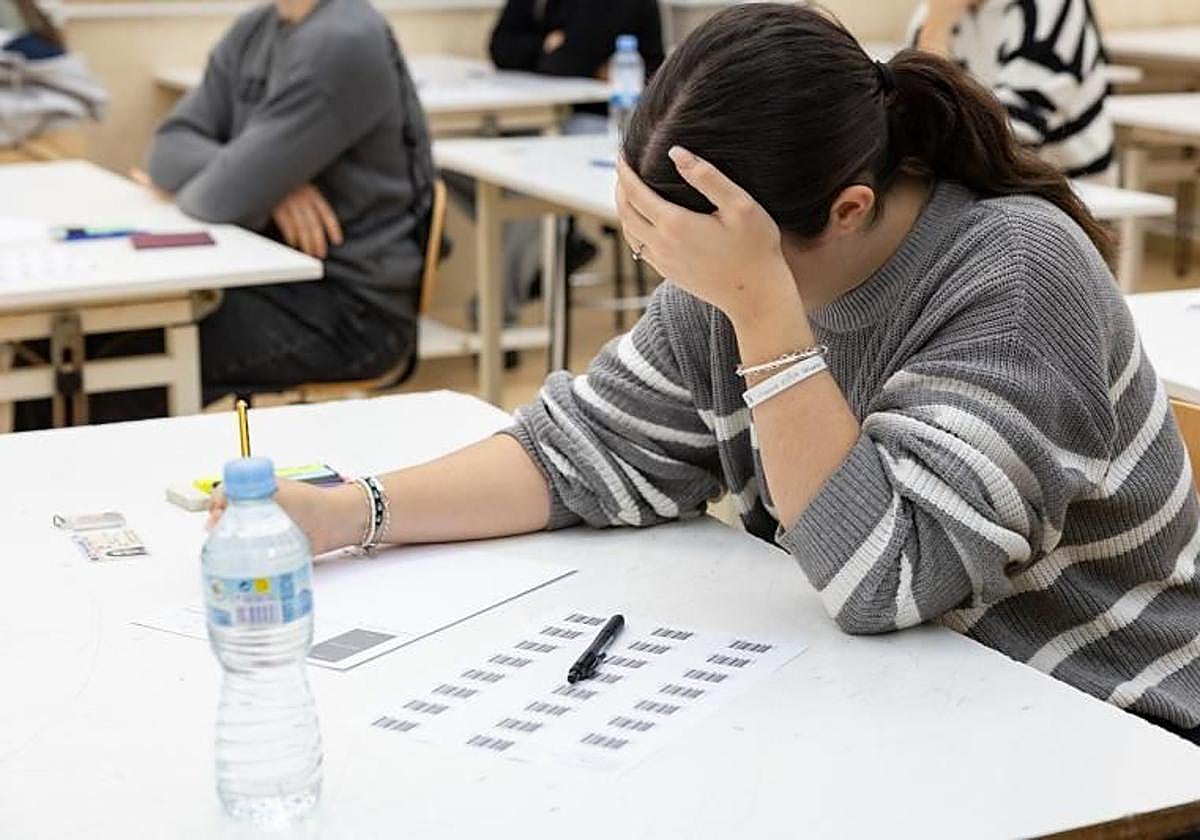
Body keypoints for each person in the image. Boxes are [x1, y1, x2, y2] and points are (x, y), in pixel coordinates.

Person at [212, 4, 1200, 743]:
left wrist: (763, 311)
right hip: (899, 709)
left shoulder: (1016, 275)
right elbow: (583, 449)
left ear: (849, 210)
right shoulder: (733, 261)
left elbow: (889, 578)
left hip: (1101, 727)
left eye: (691, 258)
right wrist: (353, 511)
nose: (678, 284)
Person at [146, 0, 435, 402]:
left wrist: (254, 178)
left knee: (137, 357)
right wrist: (273, 181)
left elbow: (212, 199)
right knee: (110, 344)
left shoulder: (344, 40)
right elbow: (166, 149)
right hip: (270, 283)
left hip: (351, 309)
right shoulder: (254, 30)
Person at [458, 0, 667, 342]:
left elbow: (568, 59)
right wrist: (546, 45)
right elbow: (501, 47)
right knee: (469, 168)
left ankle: (496, 318)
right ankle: (552, 247)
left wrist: (554, 51)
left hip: (612, 122)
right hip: (559, 117)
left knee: (526, 184)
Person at [911, 0, 1115, 179]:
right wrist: (937, 27)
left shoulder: (1050, 7)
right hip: (971, 178)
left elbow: (1010, 136)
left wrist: (935, 36)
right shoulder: (937, 10)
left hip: (1063, 190)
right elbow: (915, 123)